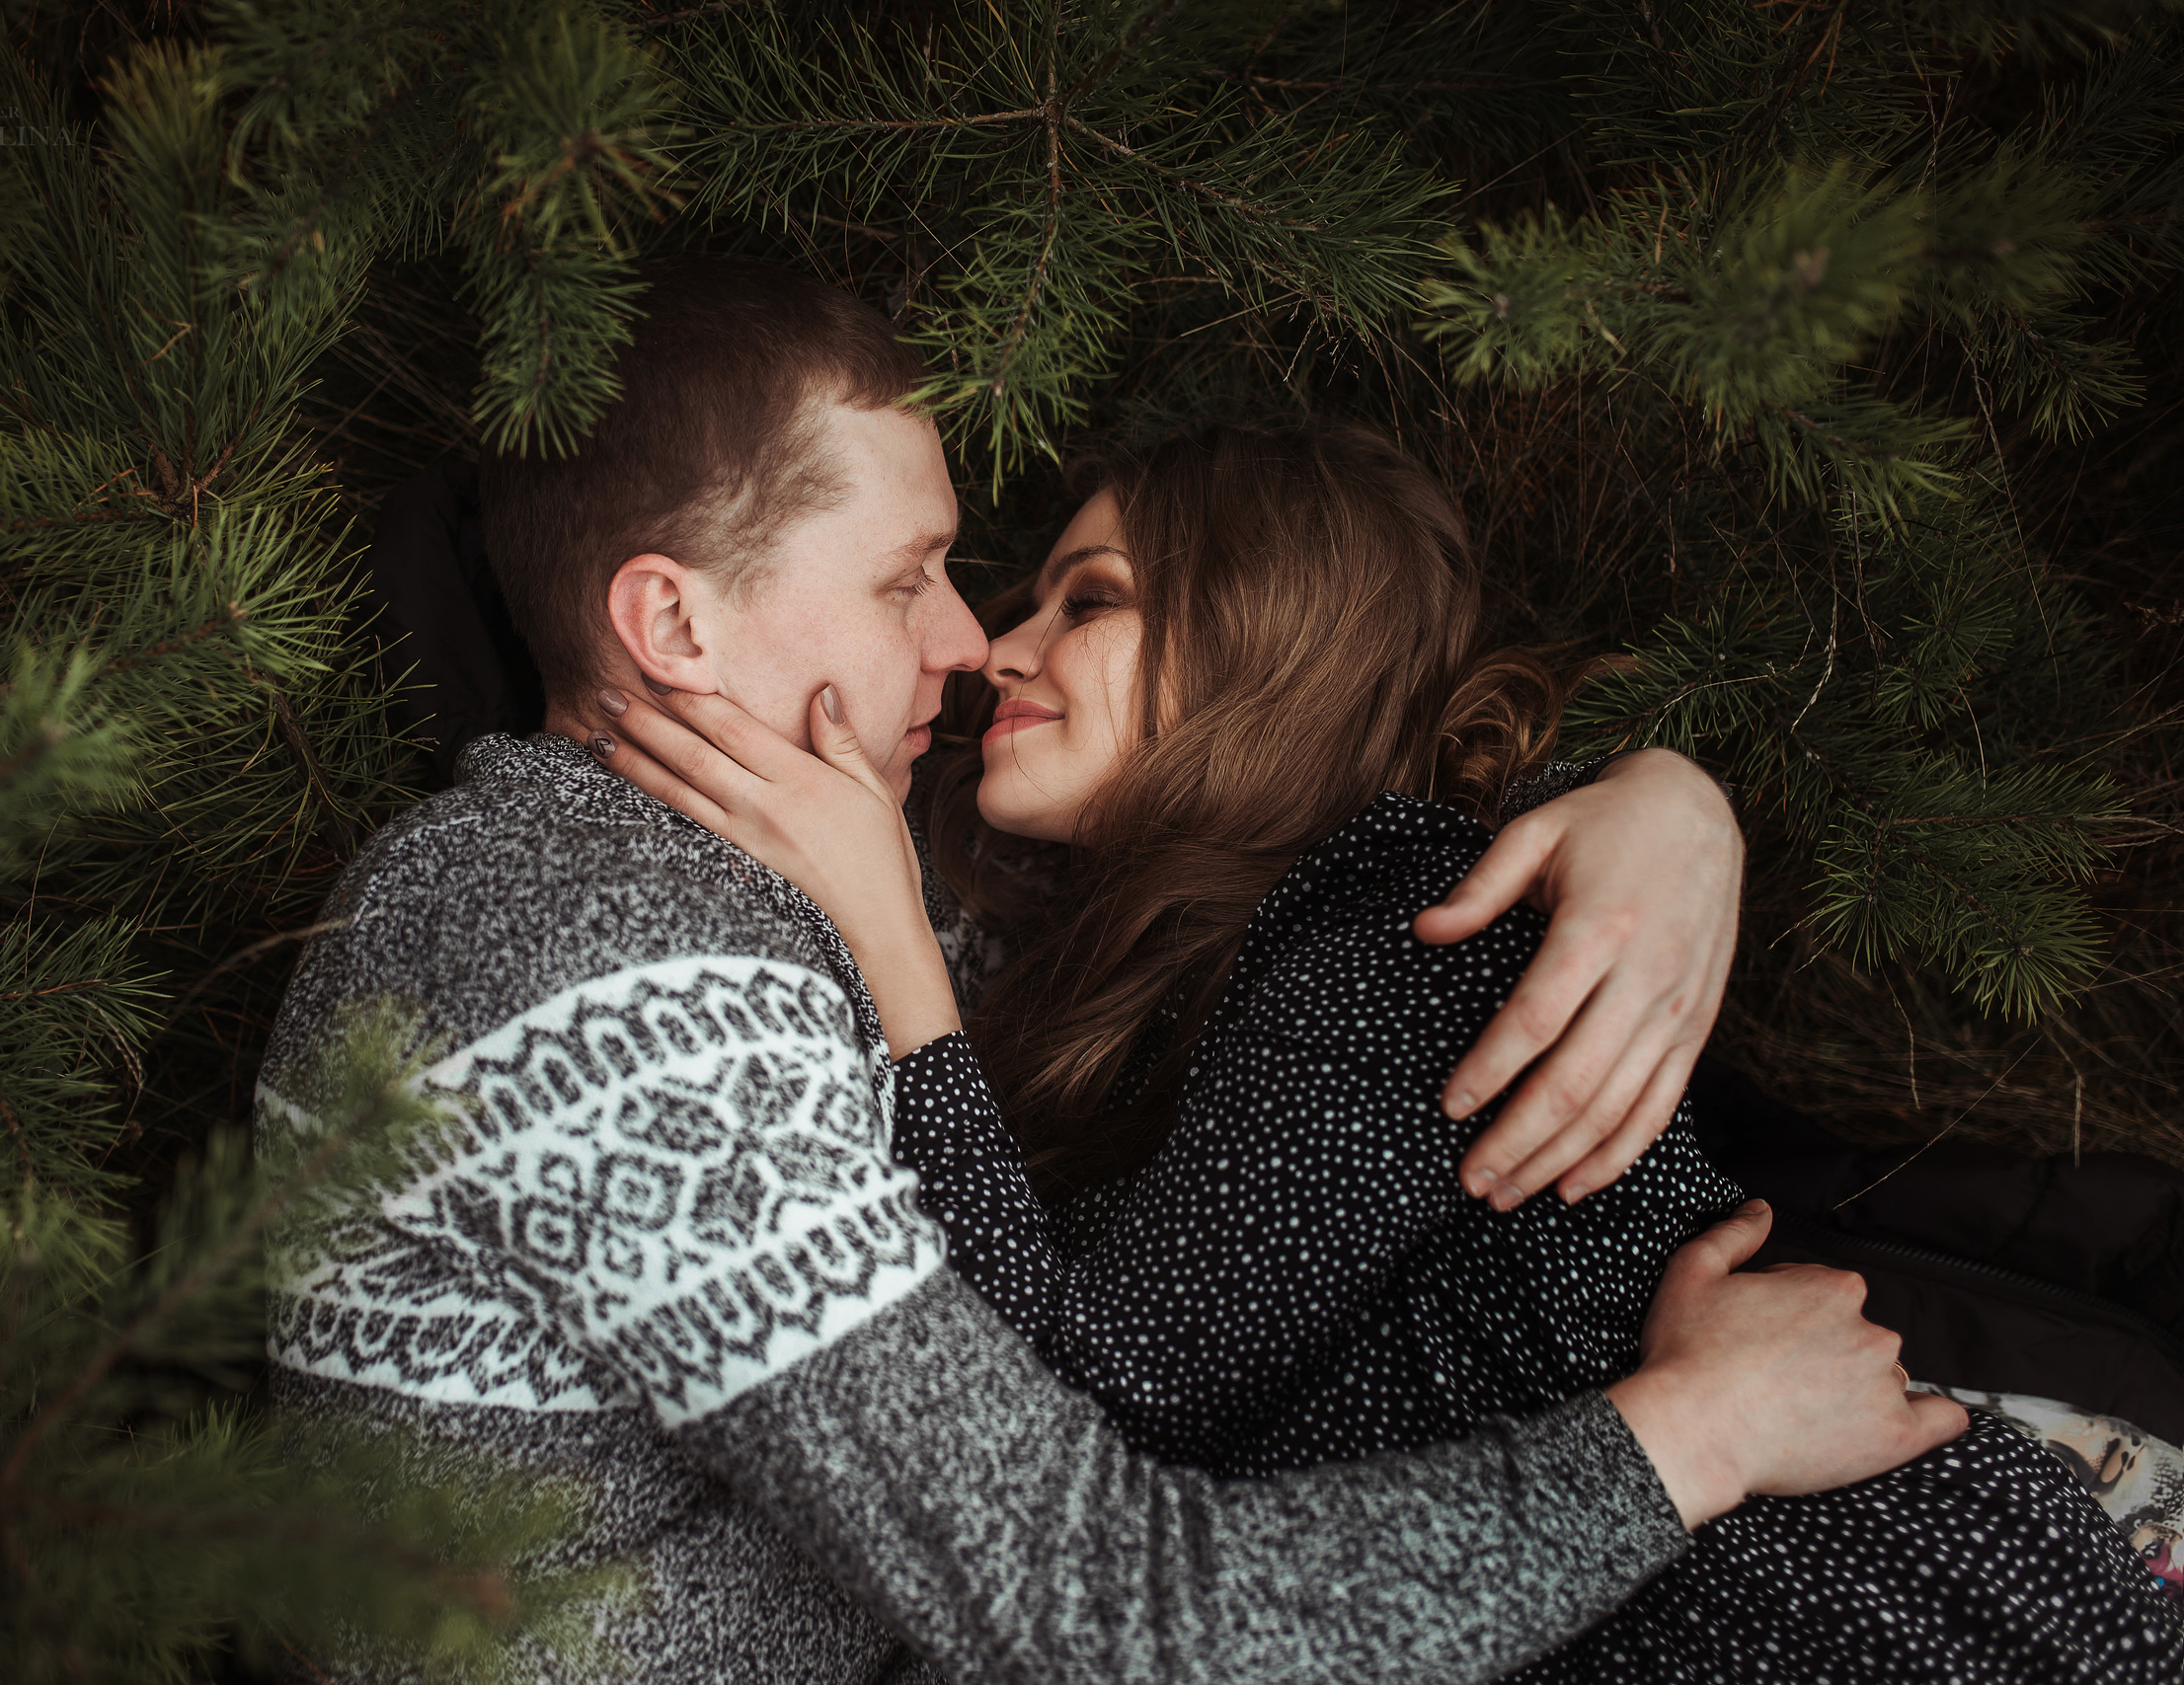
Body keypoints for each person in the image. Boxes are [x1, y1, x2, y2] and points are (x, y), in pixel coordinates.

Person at [260, 255, 1960, 1685]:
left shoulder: (810, 875)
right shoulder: (608, 965)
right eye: (906, 576)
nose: (966, 643)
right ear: (677, 629)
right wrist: (1702, 1433)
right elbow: (1109, 1605)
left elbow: (1286, 853)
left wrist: (1664, 808)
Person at [597, 421, 2184, 1679]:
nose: (1001, 646)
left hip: (1832, 1616)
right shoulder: (1190, 965)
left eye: (1091, 601)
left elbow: (1092, 1424)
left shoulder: (1416, 931)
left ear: (1263, 646)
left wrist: (897, 980)